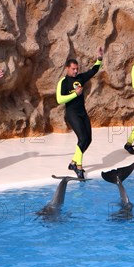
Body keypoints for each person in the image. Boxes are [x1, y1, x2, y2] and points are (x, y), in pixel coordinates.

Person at [56, 47, 104, 179]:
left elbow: (93, 70)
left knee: (88, 140)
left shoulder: (80, 78)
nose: (76, 71)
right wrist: (74, 94)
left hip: (83, 113)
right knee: (82, 139)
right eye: (73, 69)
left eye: (76, 68)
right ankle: (79, 167)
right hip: (72, 114)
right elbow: (59, 99)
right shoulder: (63, 82)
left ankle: (73, 162)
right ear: (67, 68)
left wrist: (99, 59)